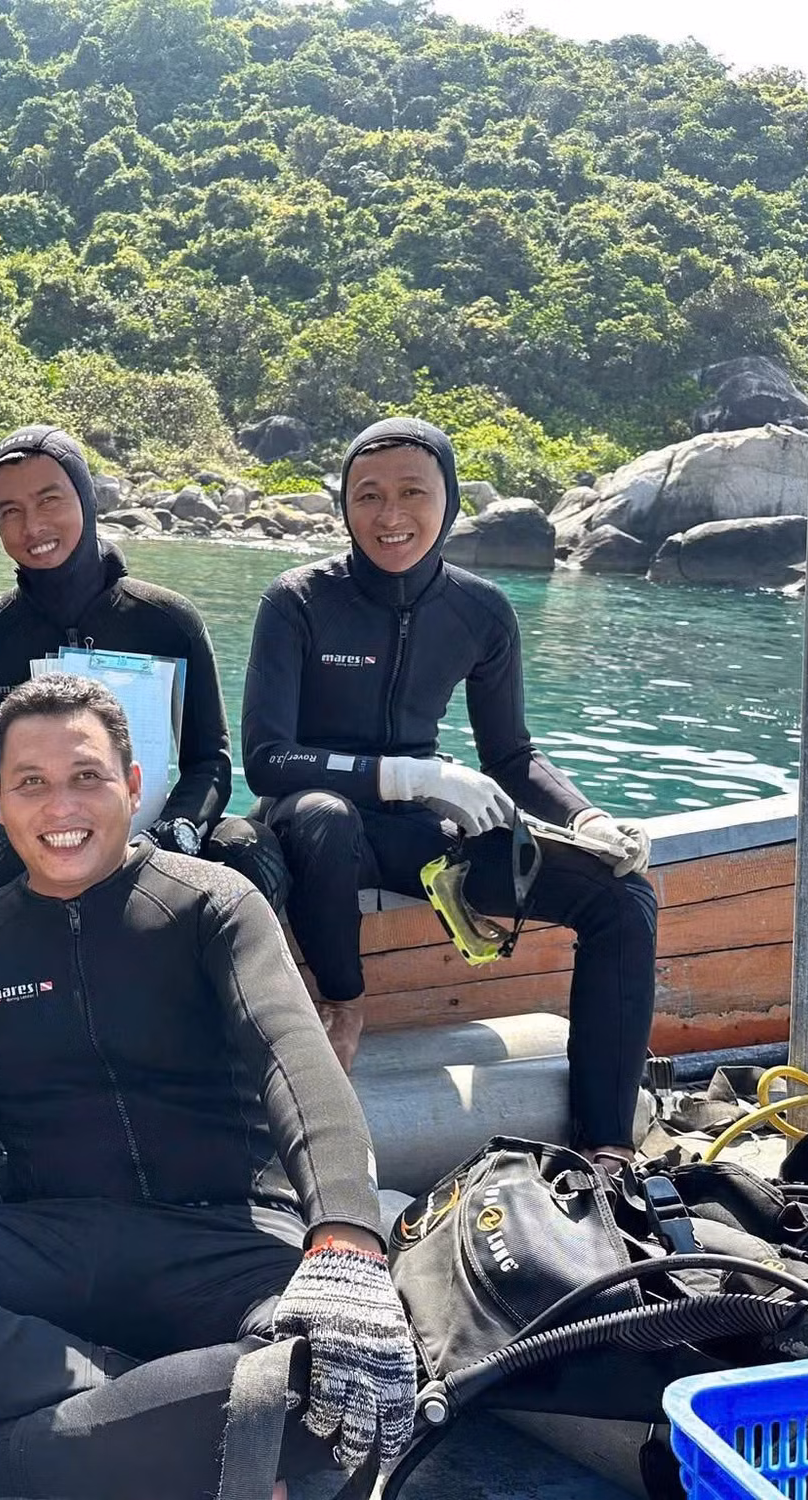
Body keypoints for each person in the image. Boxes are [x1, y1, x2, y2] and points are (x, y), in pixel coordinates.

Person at [0, 676, 414, 1500]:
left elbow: (293, 1056)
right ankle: (158, 1424)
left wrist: (345, 1239)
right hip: (55, 1246)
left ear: (132, 784)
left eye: (87, 776)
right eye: (31, 783)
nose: (61, 806)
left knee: (338, 1372)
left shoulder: (213, 904)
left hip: (229, 1242)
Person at [241, 417, 657, 1168]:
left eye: (413, 492)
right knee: (327, 819)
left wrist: (588, 817)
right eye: (368, 495)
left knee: (622, 895)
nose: (389, 515)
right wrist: (413, 773)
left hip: (417, 834)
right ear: (343, 505)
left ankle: (607, 1145)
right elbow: (269, 760)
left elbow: (511, 754)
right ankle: (344, 1005)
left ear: (450, 502)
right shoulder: (298, 600)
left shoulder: (480, 611)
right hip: (309, 822)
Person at [0, 425, 291, 911]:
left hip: (151, 831)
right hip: (41, 834)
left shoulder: (167, 621)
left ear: (87, 501)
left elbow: (209, 763)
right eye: (10, 511)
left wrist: (177, 828)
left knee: (252, 849)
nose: (32, 525)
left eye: (49, 500)